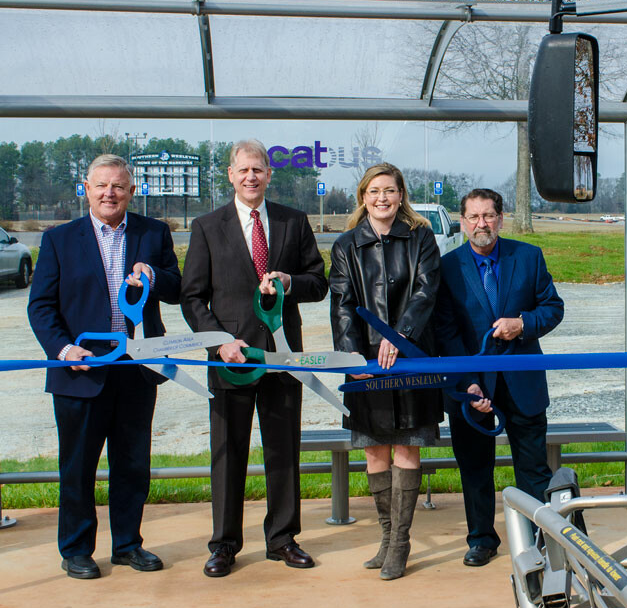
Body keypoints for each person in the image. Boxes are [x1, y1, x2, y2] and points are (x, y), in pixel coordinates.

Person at [27, 154, 181, 579]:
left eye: (118, 186)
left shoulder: (154, 233)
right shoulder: (58, 239)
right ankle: (76, 549)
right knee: (78, 466)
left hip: (136, 369)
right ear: (87, 189)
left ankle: (128, 545)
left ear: (131, 190)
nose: (110, 193)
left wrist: (153, 274)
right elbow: (40, 306)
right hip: (80, 372)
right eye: (101, 186)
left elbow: (176, 288)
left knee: (133, 464)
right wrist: (63, 350)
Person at [180, 139, 328, 578]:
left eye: (258, 170)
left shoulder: (293, 221)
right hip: (230, 359)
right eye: (243, 170)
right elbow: (192, 297)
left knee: (283, 450)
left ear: (268, 174)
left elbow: (318, 282)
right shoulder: (207, 226)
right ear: (230, 174)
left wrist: (290, 280)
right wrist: (218, 341)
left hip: (282, 356)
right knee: (228, 453)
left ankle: (282, 538)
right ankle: (224, 544)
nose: (251, 177)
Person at [434, 188, 564, 567]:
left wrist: (523, 324)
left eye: (488, 216)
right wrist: (468, 381)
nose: (481, 224)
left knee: (533, 467)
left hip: (522, 382)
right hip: (470, 384)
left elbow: (553, 308)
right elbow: (445, 330)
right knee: (475, 467)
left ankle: (539, 538)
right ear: (462, 222)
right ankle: (481, 540)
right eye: (473, 217)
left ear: (501, 219)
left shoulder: (528, 257)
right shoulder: (448, 267)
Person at [329, 163, 443, 581]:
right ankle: (385, 536)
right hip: (366, 365)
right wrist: (351, 358)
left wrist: (400, 335)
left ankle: (401, 544)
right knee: (374, 449)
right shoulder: (345, 245)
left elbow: (427, 290)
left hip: (411, 357)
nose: (382, 198)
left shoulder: (421, 237)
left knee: (406, 447)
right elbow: (341, 304)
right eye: (375, 191)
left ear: (401, 196)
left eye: (390, 191)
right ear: (363, 196)